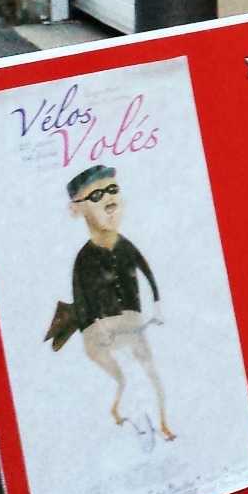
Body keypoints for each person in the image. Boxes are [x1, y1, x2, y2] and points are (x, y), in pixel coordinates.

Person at [60, 164, 174, 440]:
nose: (108, 198)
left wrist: (157, 306)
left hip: (131, 322)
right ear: (75, 210)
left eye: (113, 190)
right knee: (125, 375)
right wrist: (95, 329)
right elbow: (81, 301)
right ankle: (121, 411)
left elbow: (147, 275)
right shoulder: (83, 258)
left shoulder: (126, 245)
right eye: (96, 195)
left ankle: (163, 423)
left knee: (150, 370)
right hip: (102, 330)